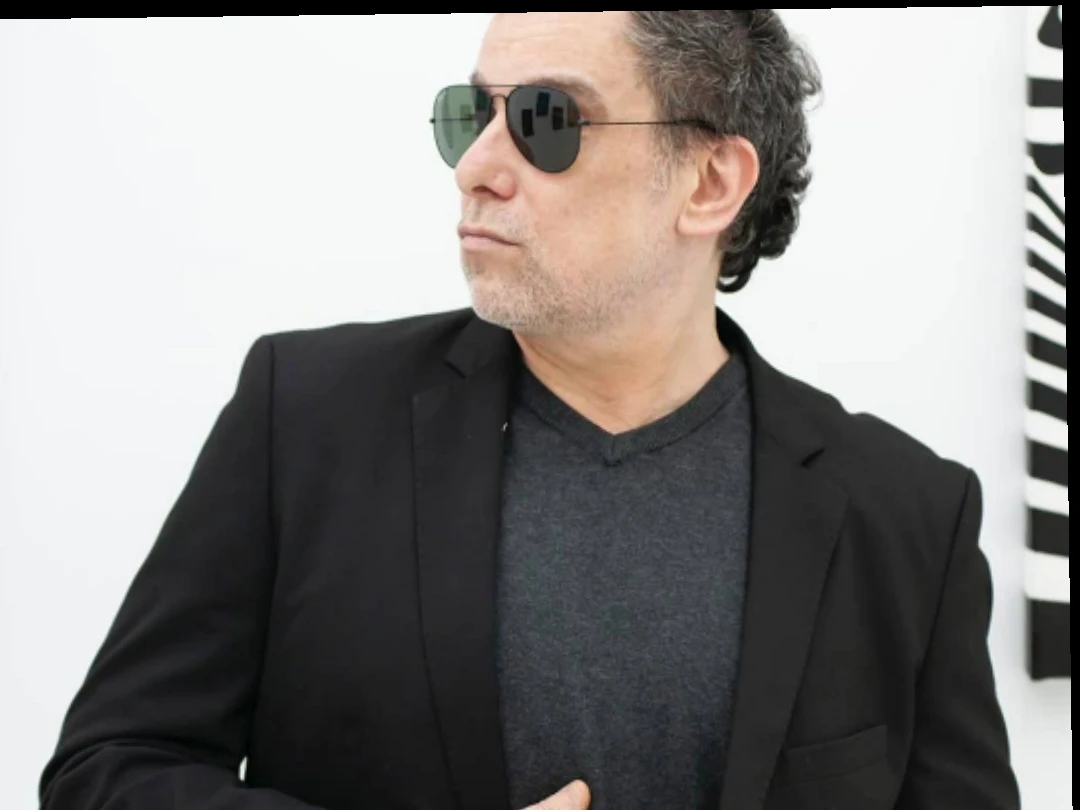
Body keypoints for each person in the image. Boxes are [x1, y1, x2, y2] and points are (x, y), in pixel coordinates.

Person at [39, 11, 1021, 810]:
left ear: (710, 181)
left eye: (548, 120)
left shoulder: (904, 516)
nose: (476, 165)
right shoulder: (303, 421)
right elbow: (108, 770)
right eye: (472, 114)